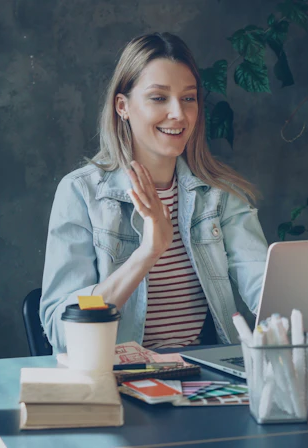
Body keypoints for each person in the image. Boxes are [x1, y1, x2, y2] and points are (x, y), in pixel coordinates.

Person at [39, 32, 269, 353]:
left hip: (204, 377)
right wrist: (148, 253)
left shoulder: (220, 194)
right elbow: (61, 330)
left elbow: (265, 289)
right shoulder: (81, 193)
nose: (178, 113)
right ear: (123, 106)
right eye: (159, 98)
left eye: (188, 98)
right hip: (116, 378)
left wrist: (298, 322)